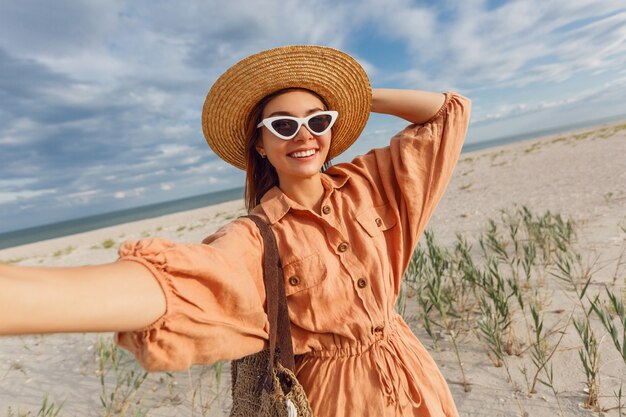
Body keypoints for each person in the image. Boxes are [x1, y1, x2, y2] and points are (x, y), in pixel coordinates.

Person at [0, 45, 471, 416]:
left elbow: (447, 113)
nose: (303, 134)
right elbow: (188, 285)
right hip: (337, 399)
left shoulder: (368, 185)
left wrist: (349, 96)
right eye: (283, 125)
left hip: (413, 377)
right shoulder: (256, 235)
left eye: (317, 121)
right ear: (261, 146)